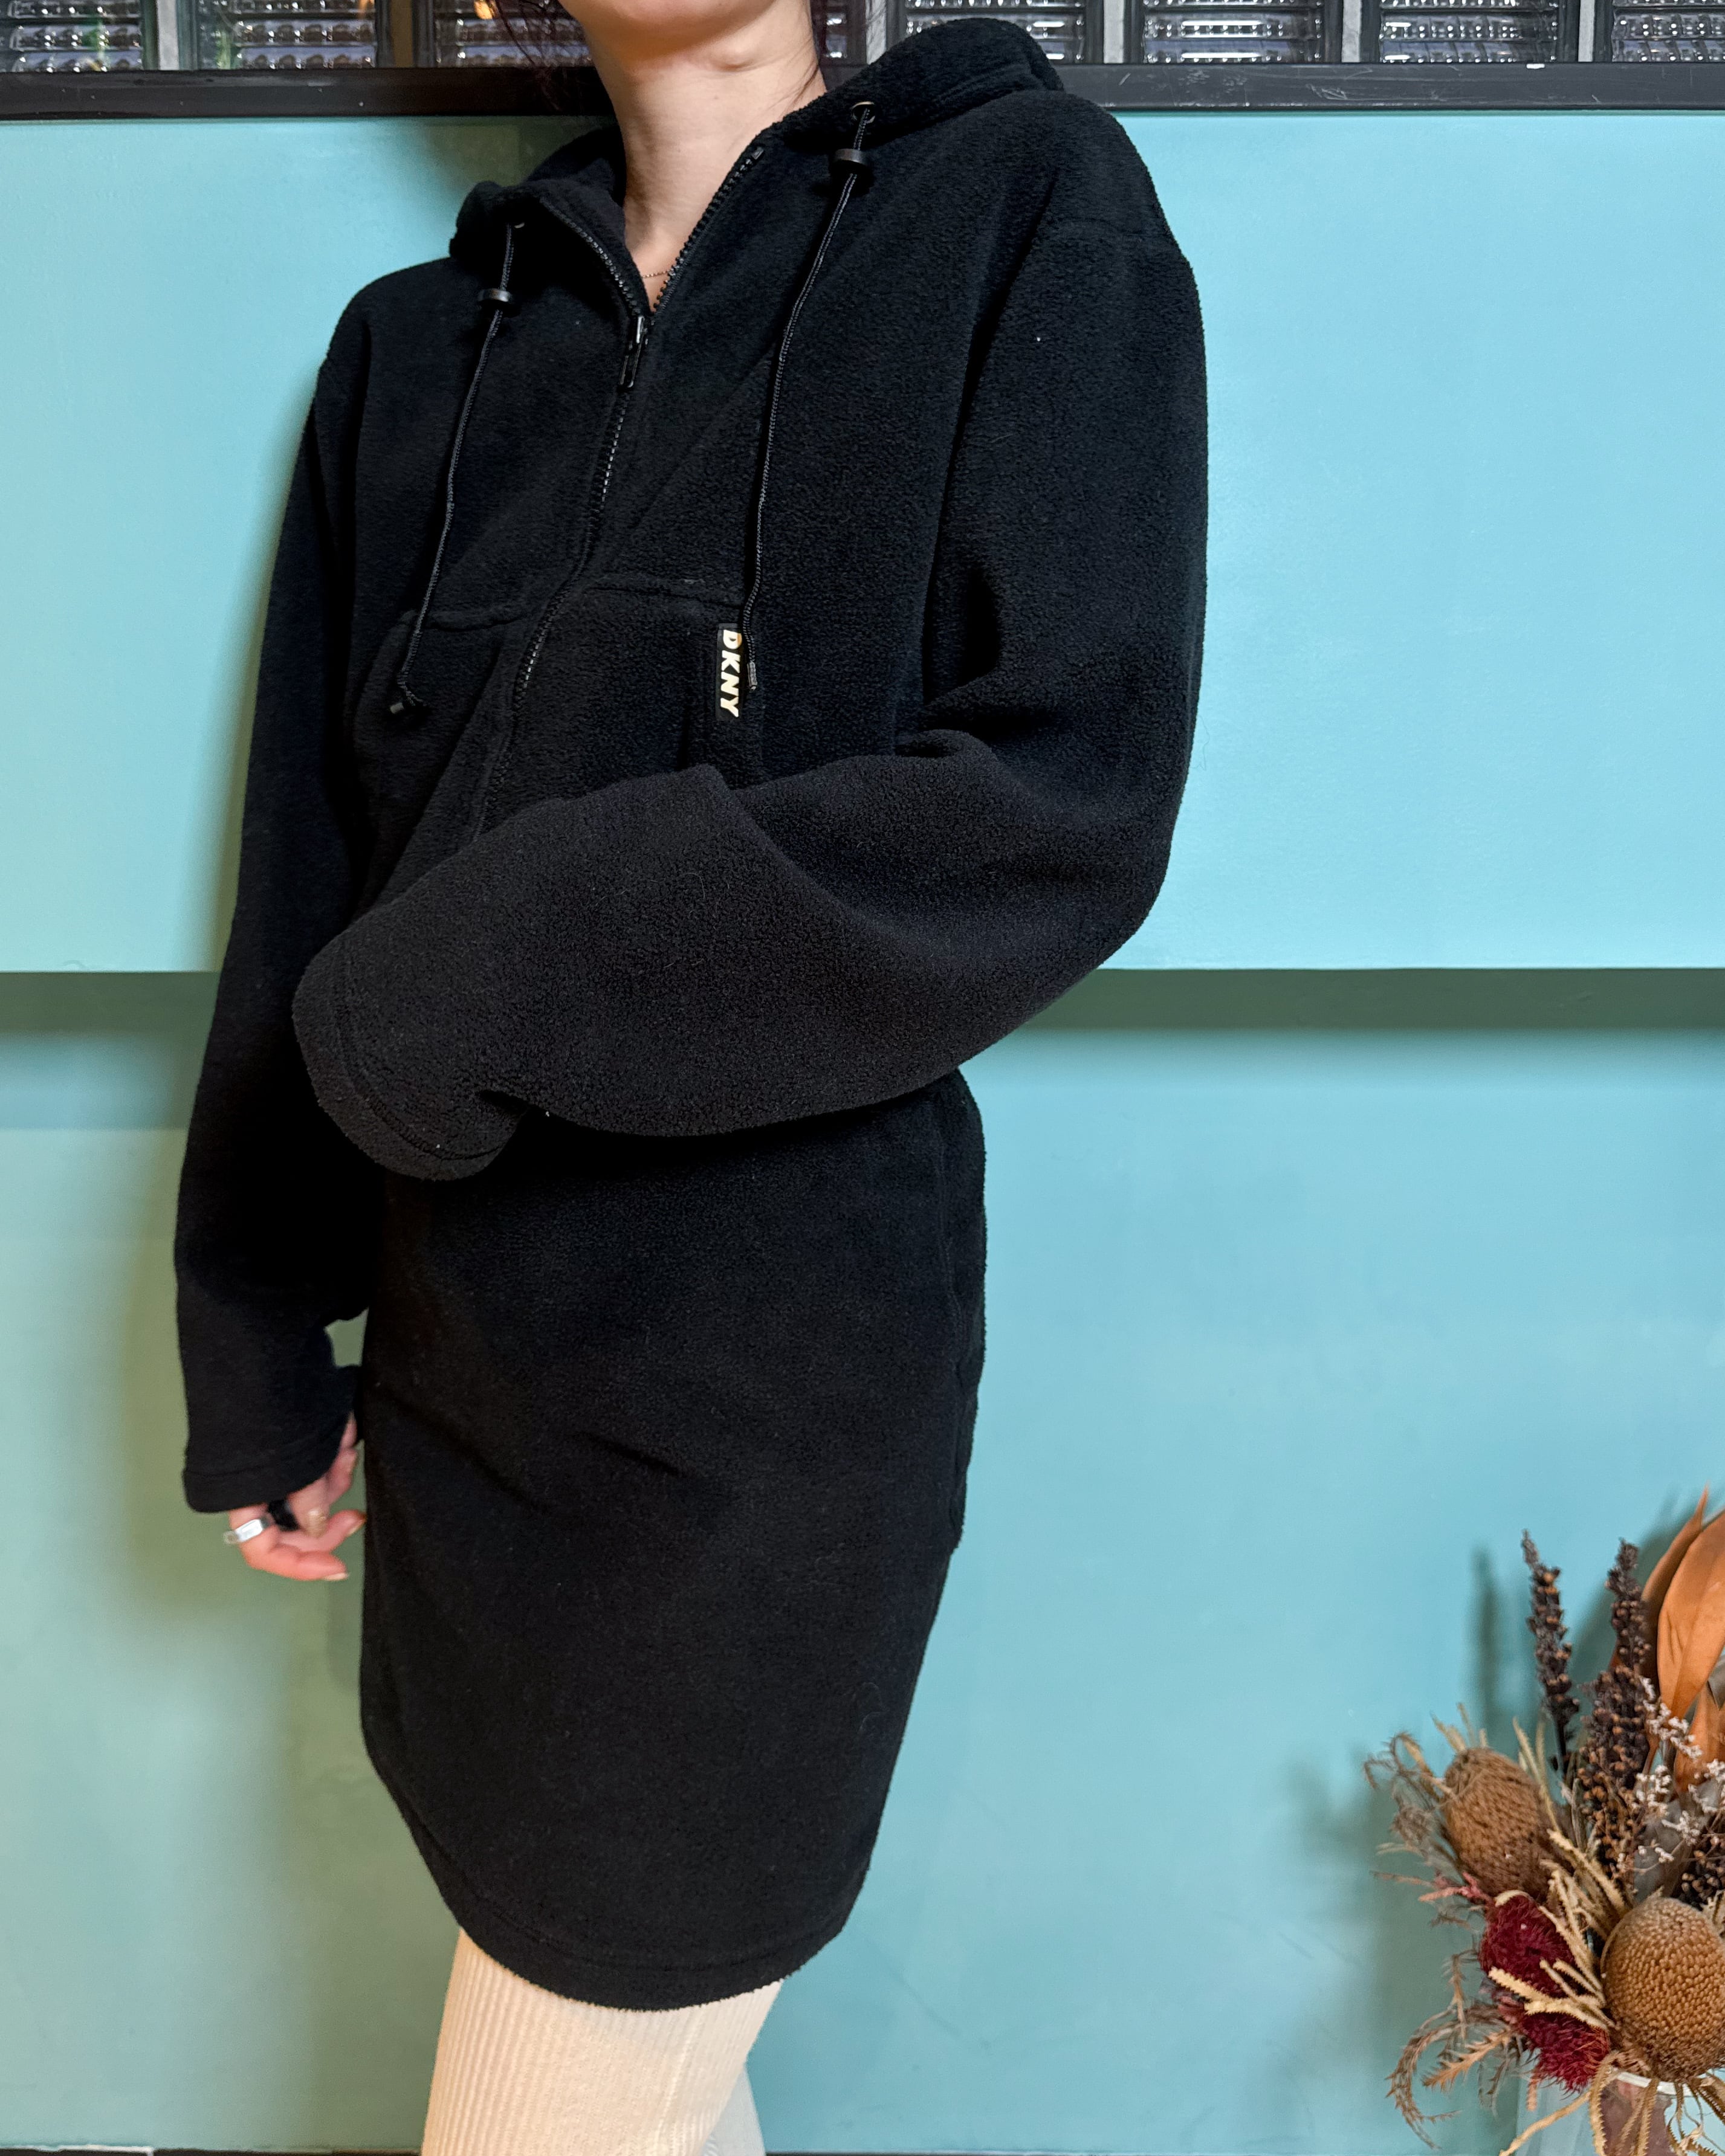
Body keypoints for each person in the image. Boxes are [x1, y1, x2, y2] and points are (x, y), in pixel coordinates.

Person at [172, 0, 1206, 2140]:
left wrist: (505, 948)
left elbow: (1062, 801)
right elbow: (305, 868)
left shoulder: (1025, 208)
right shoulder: (412, 350)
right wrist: (259, 1327)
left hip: (774, 1408)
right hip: (461, 1393)